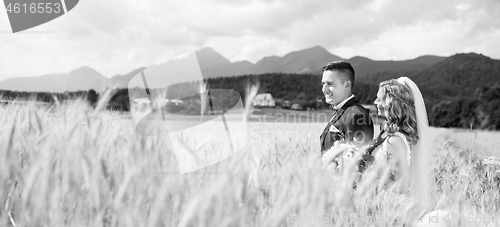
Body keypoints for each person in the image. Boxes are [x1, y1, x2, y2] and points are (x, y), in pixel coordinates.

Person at [319, 61, 374, 155]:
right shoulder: (343, 111)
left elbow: (356, 161)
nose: (324, 89)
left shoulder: (357, 116)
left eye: (330, 84)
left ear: (347, 85)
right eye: (323, 83)